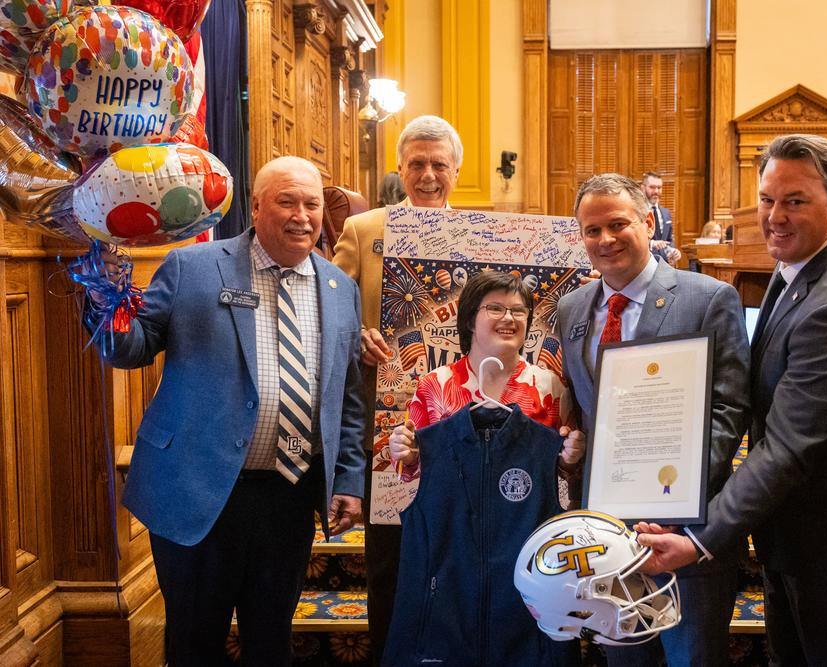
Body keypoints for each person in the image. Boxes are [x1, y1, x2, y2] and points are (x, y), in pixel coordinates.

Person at [635, 134, 827, 665]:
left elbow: (786, 448)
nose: (774, 217)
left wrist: (698, 539)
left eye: (794, 201)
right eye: (768, 199)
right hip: (797, 534)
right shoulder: (804, 264)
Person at [81, 156, 366, 665]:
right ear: (256, 207)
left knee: (270, 637)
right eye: (286, 201)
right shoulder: (192, 268)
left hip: (289, 497)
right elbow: (130, 349)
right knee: (194, 641)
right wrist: (106, 296)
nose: (301, 215)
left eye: (312, 203)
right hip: (199, 488)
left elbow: (345, 397)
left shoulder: (340, 289)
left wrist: (347, 478)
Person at [556, 173, 750, 667]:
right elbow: (585, 408)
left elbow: (729, 409)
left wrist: (677, 488)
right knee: (625, 660)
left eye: (617, 224)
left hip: (683, 525)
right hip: (607, 533)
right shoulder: (572, 308)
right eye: (591, 230)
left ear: (647, 222)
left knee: (694, 659)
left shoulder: (707, 298)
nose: (605, 240)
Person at [382, 270, 585, 665]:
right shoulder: (435, 385)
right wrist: (404, 453)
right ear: (470, 317)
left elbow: (560, 471)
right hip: (452, 546)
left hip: (525, 542)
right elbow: (415, 470)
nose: (509, 318)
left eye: (519, 310)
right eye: (495, 308)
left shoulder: (550, 386)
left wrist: (569, 459)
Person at [332, 114, 463, 663]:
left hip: (460, 427)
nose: (428, 175)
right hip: (387, 426)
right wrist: (353, 333)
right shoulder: (366, 231)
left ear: (457, 170)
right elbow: (329, 306)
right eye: (417, 164)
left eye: (439, 165)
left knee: (458, 557)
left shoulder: (485, 232)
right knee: (389, 563)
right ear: (400, 169)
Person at [640, 171, 682, 264]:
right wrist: (652, 244)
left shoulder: (666, 213)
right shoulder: (637, 211)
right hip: (644, 264)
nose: (656, 191)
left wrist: (673, 251)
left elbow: (669, 239)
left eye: (659, 187)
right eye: (652, 187)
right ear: (643, 188)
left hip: (664, 264)